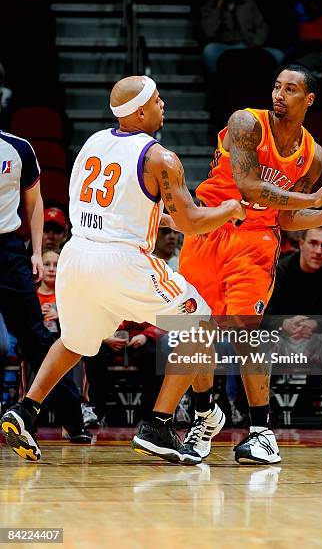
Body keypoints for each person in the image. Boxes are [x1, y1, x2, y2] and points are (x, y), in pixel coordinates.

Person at [0, 74, 245, 465]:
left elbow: (118, 209)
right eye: (158, 99)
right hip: (122, 262)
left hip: (77, 256)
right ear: (141, 110)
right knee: (198, 323)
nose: (164, 105)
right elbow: (193, 222)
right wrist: (231, 209)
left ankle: (24, 410)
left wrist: (159, 220)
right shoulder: (160, 157)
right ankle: (158, 424)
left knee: (76, 343)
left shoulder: (93, 143)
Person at [179, 63, 322, 464]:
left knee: (245, 332)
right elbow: (249, 186)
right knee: (195, 331)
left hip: (256, 240)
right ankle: (204, 418)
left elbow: (289, 218)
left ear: (308, 100)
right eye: (276, 86)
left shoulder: (313, 156)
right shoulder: (246, 123)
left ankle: (262, 432)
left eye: (290, 89)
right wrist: (312, 201)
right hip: (210, 226)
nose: (278, 94)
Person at [0, 125, 89, 443]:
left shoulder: (18, 148)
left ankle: (74, 419)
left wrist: (36, 252)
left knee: (36, 337)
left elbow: (35, 203)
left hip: (9, 251)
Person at [264, 226, 322, 429]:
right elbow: (264, 314)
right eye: (313, 243)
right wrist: (284, 323)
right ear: (301, 244)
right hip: (283, 339)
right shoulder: (281, 270)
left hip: (317, 341)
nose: (319, 250)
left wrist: (316, 324)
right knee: (260, 337)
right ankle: (264, 405)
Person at [200, 0, 284, 75]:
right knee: (209, 50)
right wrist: (219, 5)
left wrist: (256, 42)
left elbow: (262, 26)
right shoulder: (210, 7)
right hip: (224, 47)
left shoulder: (248, 4)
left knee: (278, 55)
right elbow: (209, 32)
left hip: (247, 45)